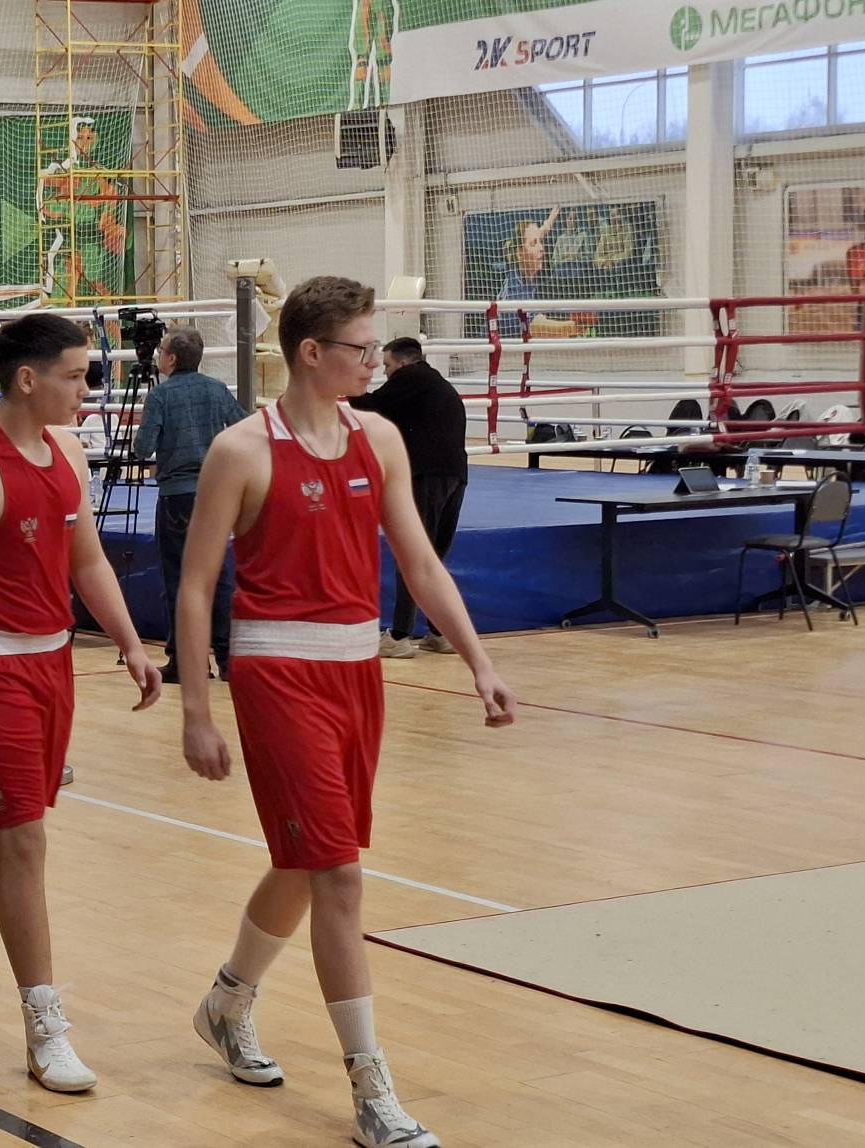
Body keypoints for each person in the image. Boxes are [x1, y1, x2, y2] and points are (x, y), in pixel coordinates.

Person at [177, 277, 516, 1148]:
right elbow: (196, 587)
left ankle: (227, 1002)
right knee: (338, 873)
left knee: (304, 861)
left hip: (358, 672)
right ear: (311, 352)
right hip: (276, 672)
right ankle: (370, 1089)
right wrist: (197, 712)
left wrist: (478, 661)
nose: (375, 361)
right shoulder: (242, 450)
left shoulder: (382, 439)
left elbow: (421, 563)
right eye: (361, 348)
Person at [0, 313, 161, 1094]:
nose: (88, 390)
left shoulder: (70, 454)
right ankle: (44, 1025)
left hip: (53, 661)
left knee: (15, 821)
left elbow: (87, 560)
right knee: (26, 836)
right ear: (27, 379)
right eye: (76, 376)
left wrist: (129, 642)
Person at [133, 326, 247, 684]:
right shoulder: (216, 389)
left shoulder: (161, 396)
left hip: (177, 495)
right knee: (219, 575)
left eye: (161, 351)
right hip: (215, 492)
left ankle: (186, 661)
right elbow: (244, 426)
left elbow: (142, 448)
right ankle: (228, 659)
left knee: (179, 578)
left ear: (171, 358)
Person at [350, 338, 470, 658]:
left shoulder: (411, 378)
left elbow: (369, 406)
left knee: (413, 554)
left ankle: (400, 635)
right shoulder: (434, 384)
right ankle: (440, 632)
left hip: (427, 476)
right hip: (455, 475)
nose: (386, 372)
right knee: (432, 558)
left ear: (403, 363)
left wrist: (346, 382)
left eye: (388, 366)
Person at [497, 208, 576, 339]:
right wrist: (573, 326)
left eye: (540, 241)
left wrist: (550, 221)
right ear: (519, 254)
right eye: (534, 243)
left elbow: (540, 232)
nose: (541, 248)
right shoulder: (515, 289)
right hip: (491, 348)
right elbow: (536, 327)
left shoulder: (523, 273)